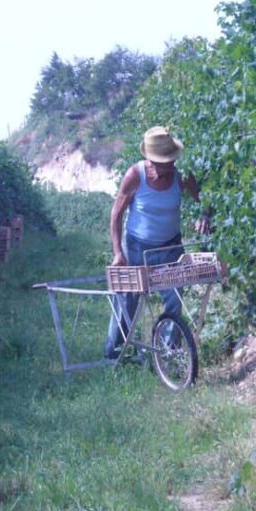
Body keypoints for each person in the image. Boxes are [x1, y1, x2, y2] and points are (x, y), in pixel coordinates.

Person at [104, 125, 209, 360]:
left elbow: (203, 199)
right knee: (128, 300)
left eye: (171, 160)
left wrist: (205, 215)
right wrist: (118, 253)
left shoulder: (181, 176)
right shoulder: (135, 175)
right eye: (164, 161)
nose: (169, 165)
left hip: (171, 247)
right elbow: (116, 214)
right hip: (138, 248)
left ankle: (167, 354)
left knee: (174, 297)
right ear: (150, 159)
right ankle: (115, 355)